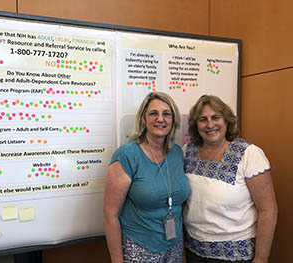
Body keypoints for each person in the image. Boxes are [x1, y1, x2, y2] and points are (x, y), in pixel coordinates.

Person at [183, 95, 278, 263]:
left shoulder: (249, 154)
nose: (210, 124)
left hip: (236, 256)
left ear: (226, 120)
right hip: (194, 252)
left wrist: (261, 258)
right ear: (196, 125)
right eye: (203, 119)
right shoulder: (187, 151)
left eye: (216, 117)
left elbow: (268, 210)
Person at [104, 92, 189, 263]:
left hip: (175, 246)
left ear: (173, 120)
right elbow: (110, 214)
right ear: (143, 118)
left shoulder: (178, 153)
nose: (160, 119)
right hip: (139, 248)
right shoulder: (127, 155)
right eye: (153, 114)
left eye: (166, 113)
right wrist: (117, 260)